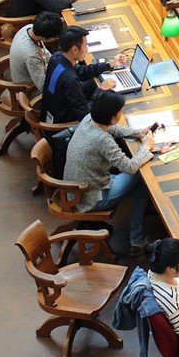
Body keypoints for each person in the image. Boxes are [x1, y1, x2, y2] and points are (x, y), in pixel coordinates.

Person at [63, 90, 154, 254]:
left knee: (139, 184)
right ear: (113, 117)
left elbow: (113, 129)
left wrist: (137, 133)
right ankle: (137, 238)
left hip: (76, 189)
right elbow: (130, 167)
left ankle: (138, 238)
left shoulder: (89, 120)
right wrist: (147, 146)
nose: (121, 114)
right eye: (120, 112)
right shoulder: (102, 140)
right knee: (141, 177)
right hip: (93, 196)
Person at [40, 24, 124, 123]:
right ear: (74, 50)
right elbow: (85, 114)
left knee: (92, 83)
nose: (87, 49)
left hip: (53, 109)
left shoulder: (57, 57)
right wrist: (101, 90)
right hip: (63, 121)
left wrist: (109, 64)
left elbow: (82, 72)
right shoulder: (70, 80)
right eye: (85, 45)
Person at [8, 11, 64, 90]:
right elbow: (44, 87)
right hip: (29, 89)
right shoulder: (32, 56)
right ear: (46, 38)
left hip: (39, 72)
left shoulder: (31, 28)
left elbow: (45, 53)